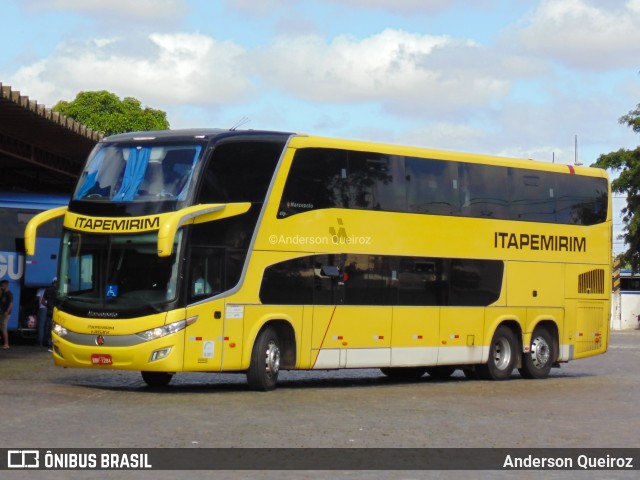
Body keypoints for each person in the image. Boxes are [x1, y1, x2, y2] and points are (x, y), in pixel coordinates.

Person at [41, 277, 58, 352]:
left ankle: (49, 345)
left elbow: (42, 301)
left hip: (49, 312)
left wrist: (48, 305)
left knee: (48, 329)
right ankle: (55, 346)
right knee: (57, 330)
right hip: (57, 312)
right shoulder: (58, 291)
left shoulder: (47, 290)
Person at [0, 279, 13, 349]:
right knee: (2, 327)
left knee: (4, 328)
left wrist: (7, 311)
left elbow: (11, 304)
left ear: (6, 285)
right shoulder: (3, 293)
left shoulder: (9, 294)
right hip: (1, 313)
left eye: (2, 285)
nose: (1, 287)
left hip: (6, 313)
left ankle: (6, 344)